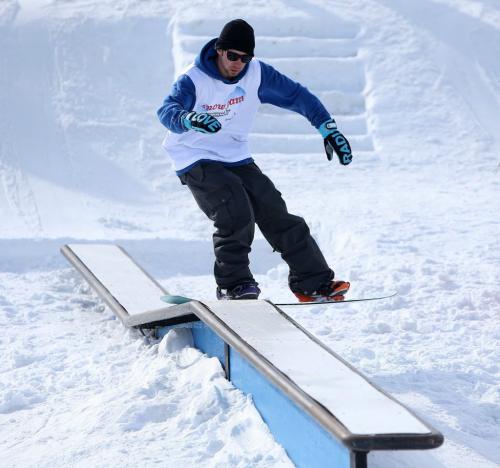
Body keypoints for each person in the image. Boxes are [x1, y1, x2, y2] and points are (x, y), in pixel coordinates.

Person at [157, 19, 353, 301]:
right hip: (194, 155)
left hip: (235, 155)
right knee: (234, 210)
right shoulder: (195, 79)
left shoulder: (257, 74)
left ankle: (312, 282)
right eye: (232, 56)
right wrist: (187, 119)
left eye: (245, 58)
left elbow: (298, 96)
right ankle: (233, 285)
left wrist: (327, 127)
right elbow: (166, 110)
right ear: (219, 51)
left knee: (275, 210)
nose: (238, 64)